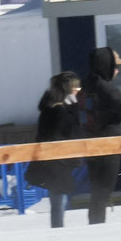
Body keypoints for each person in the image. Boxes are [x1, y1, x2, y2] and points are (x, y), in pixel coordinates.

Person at [76, 47, 121, 224]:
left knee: (97, 192)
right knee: (102, 193)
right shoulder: (104, 87)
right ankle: (97, 229)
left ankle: (95, 225)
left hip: (92, 143)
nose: (118, 70)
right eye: (115, 66)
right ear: (105, 66)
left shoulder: (88, 84)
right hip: (108, 146)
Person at [28, 72, 82, 228]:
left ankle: (58, 229)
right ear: (68, 89)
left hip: (57, 159)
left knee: (59, 200)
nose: (79, 90)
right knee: (59, 201)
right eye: (76, 86)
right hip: (58, 160)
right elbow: (69, 132)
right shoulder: (59, 110)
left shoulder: (52, 108)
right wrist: (73, 109)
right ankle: (58, 231)